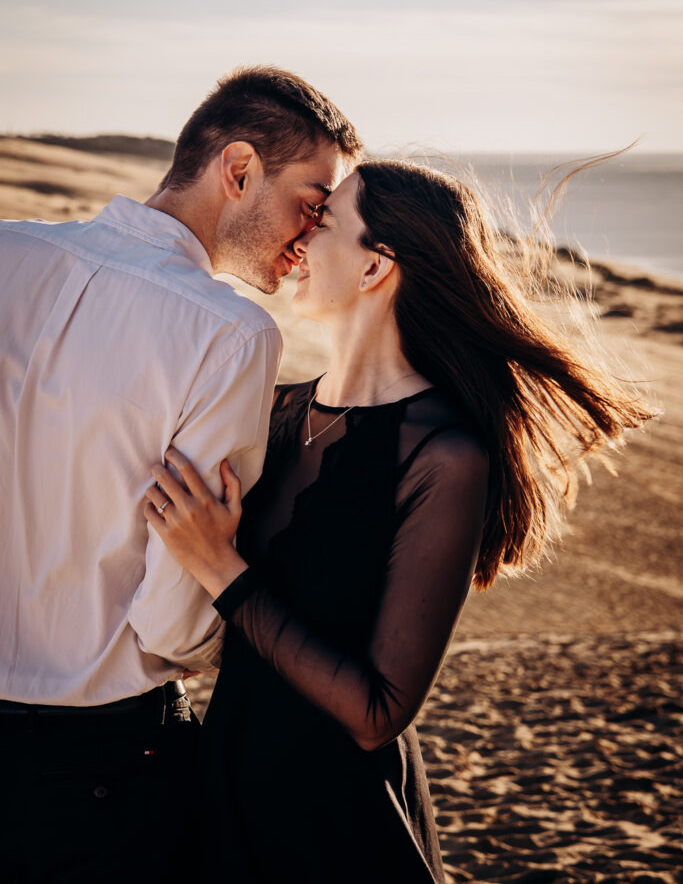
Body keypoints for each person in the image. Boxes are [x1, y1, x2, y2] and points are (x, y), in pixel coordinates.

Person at [148, 159, 654, 883]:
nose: (299, 239)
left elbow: (377, 713)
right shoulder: (276, 409)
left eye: (323, 222)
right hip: (225, 793)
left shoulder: (442, 456)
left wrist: (223, 572)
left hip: (335, 829)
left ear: (374, 267)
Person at [0, 66, 362, 883]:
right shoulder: (230, 334)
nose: (312, 235)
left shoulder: (7, 252)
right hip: (100, 764)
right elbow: (171, 624)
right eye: (311, 201)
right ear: (238, 169)